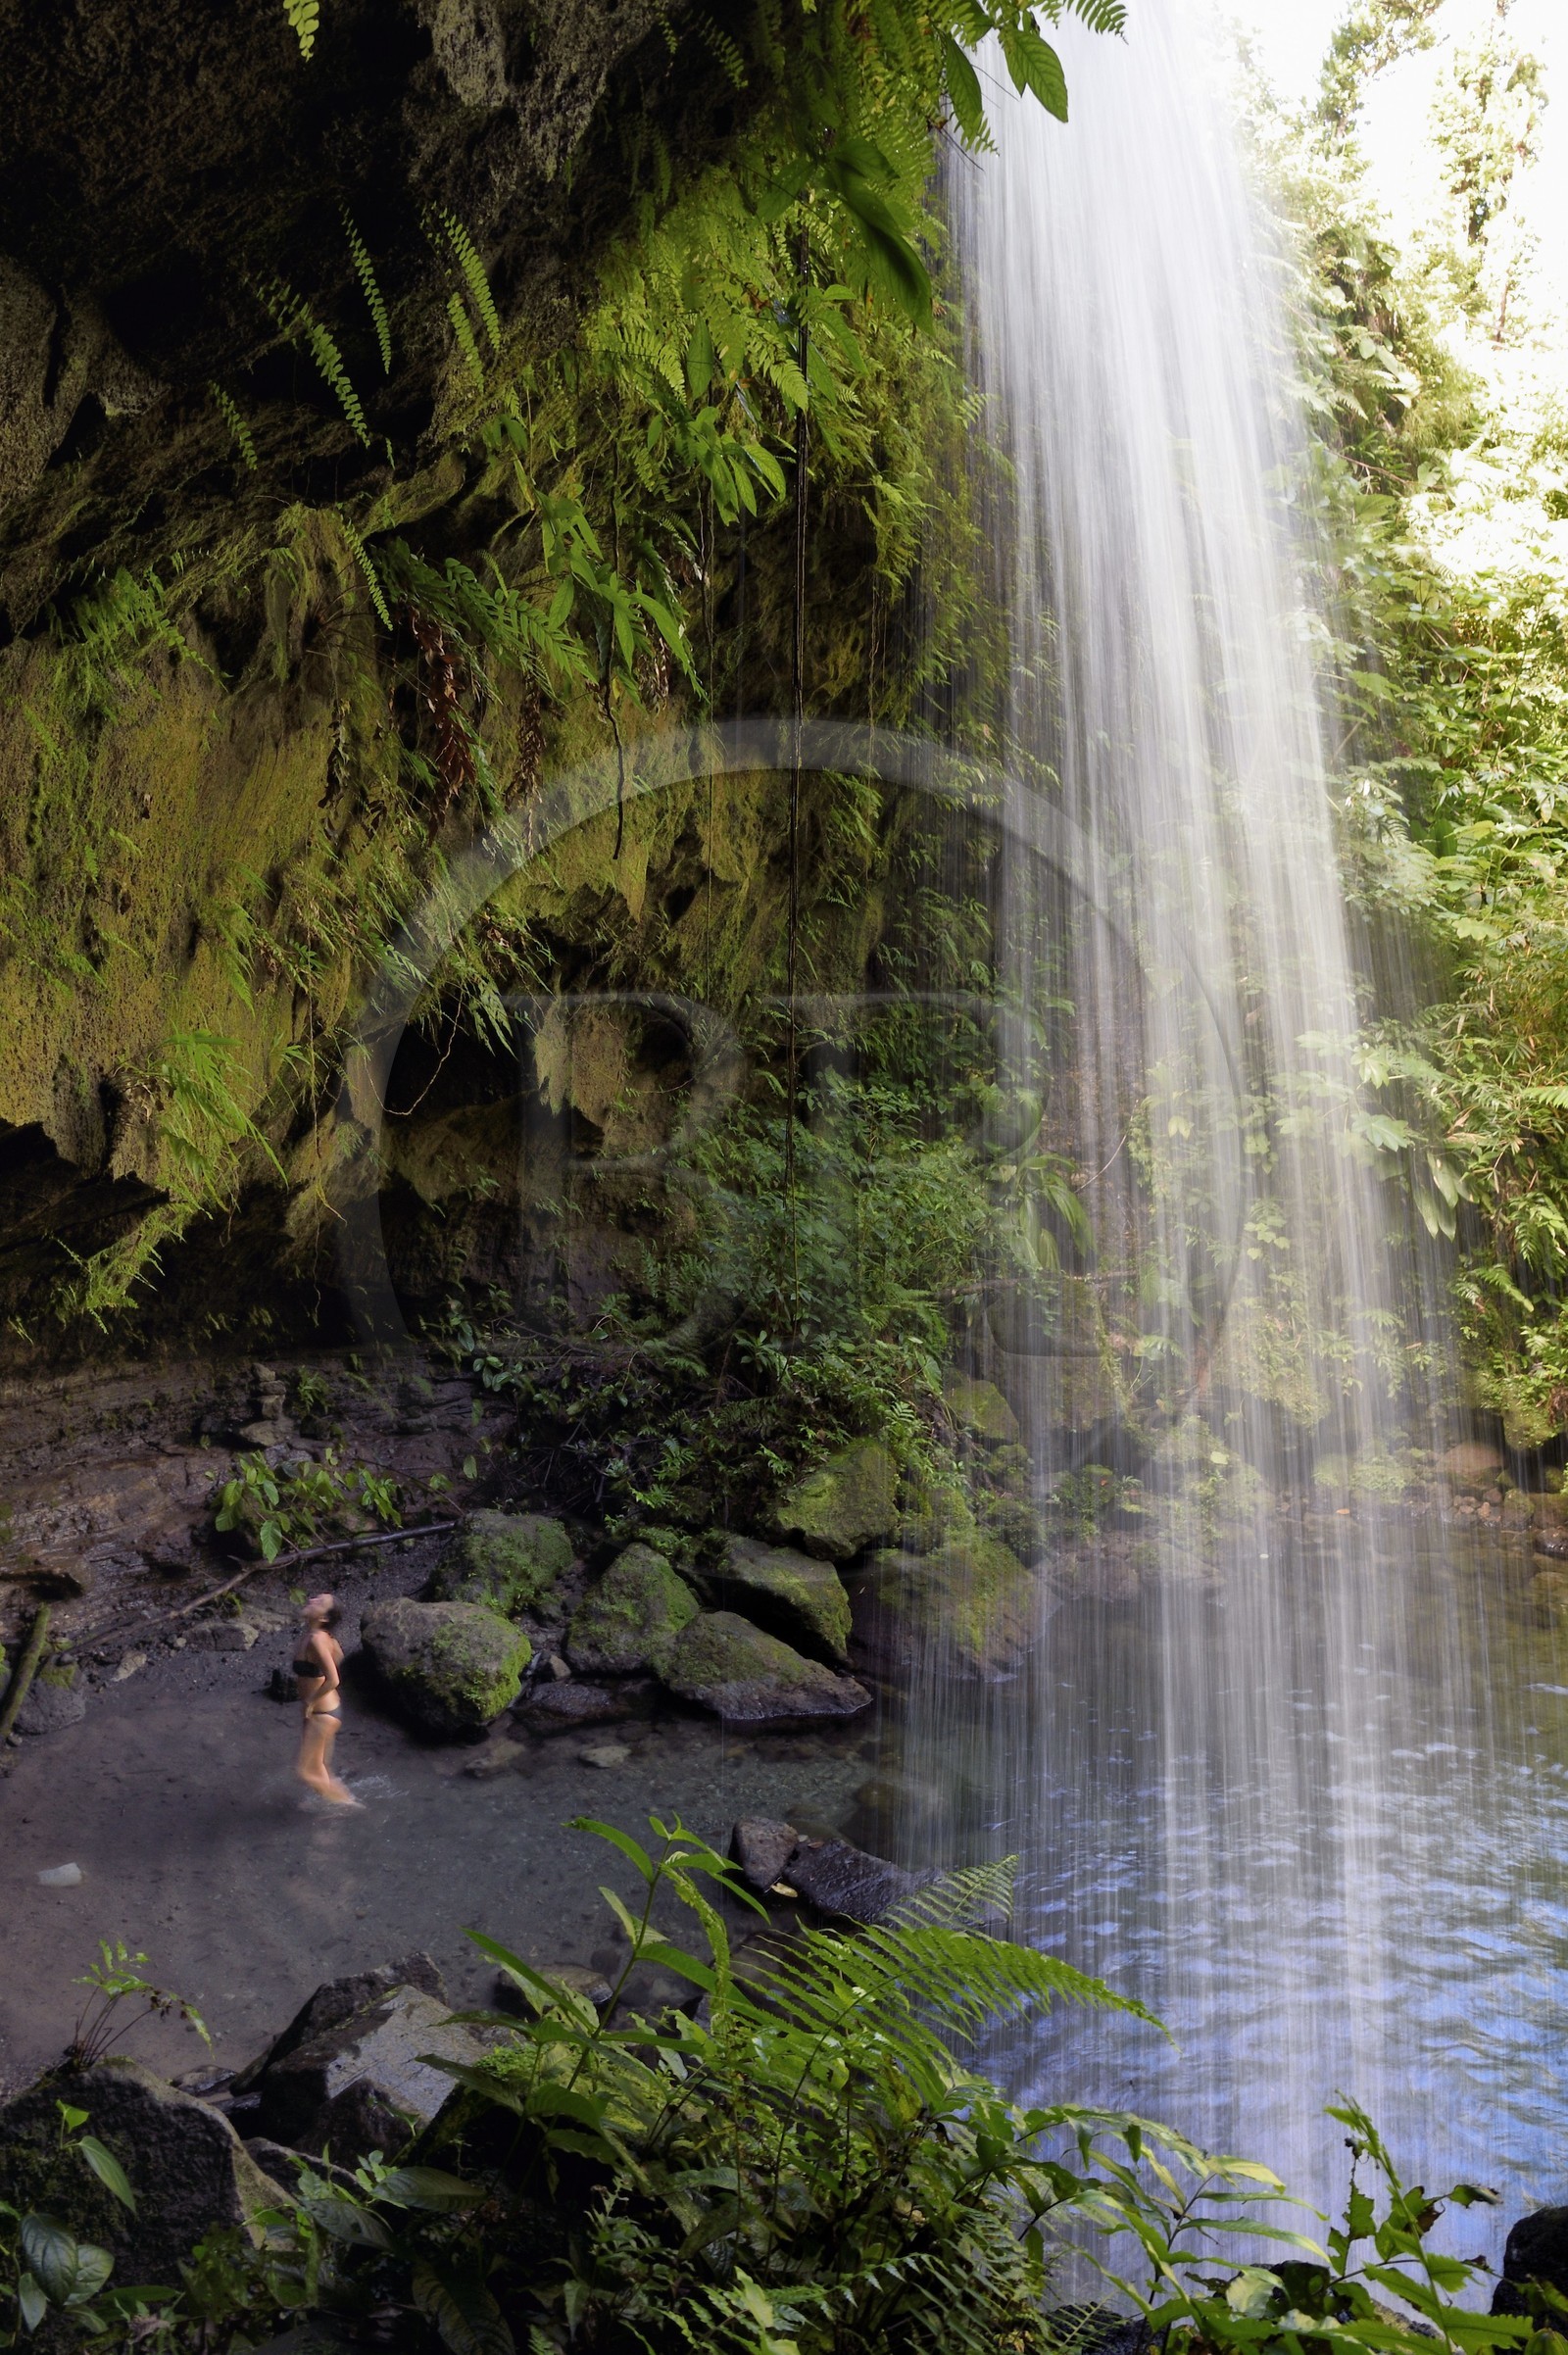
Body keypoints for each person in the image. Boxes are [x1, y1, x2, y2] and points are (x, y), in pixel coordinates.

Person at [292, 1594, 359, 1805]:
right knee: (319, 1768)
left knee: (306, 1772)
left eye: (319, 1602)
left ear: (324, 1617)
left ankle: (350, 1807)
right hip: (321, 1711)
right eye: (315, 1598)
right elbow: (339, 1657)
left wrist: (310, 1701)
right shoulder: (319, 1636)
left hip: (322, 1712)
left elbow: (333, 1679)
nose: (312, 1600)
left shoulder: (316, 1639)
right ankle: (335, 1803)